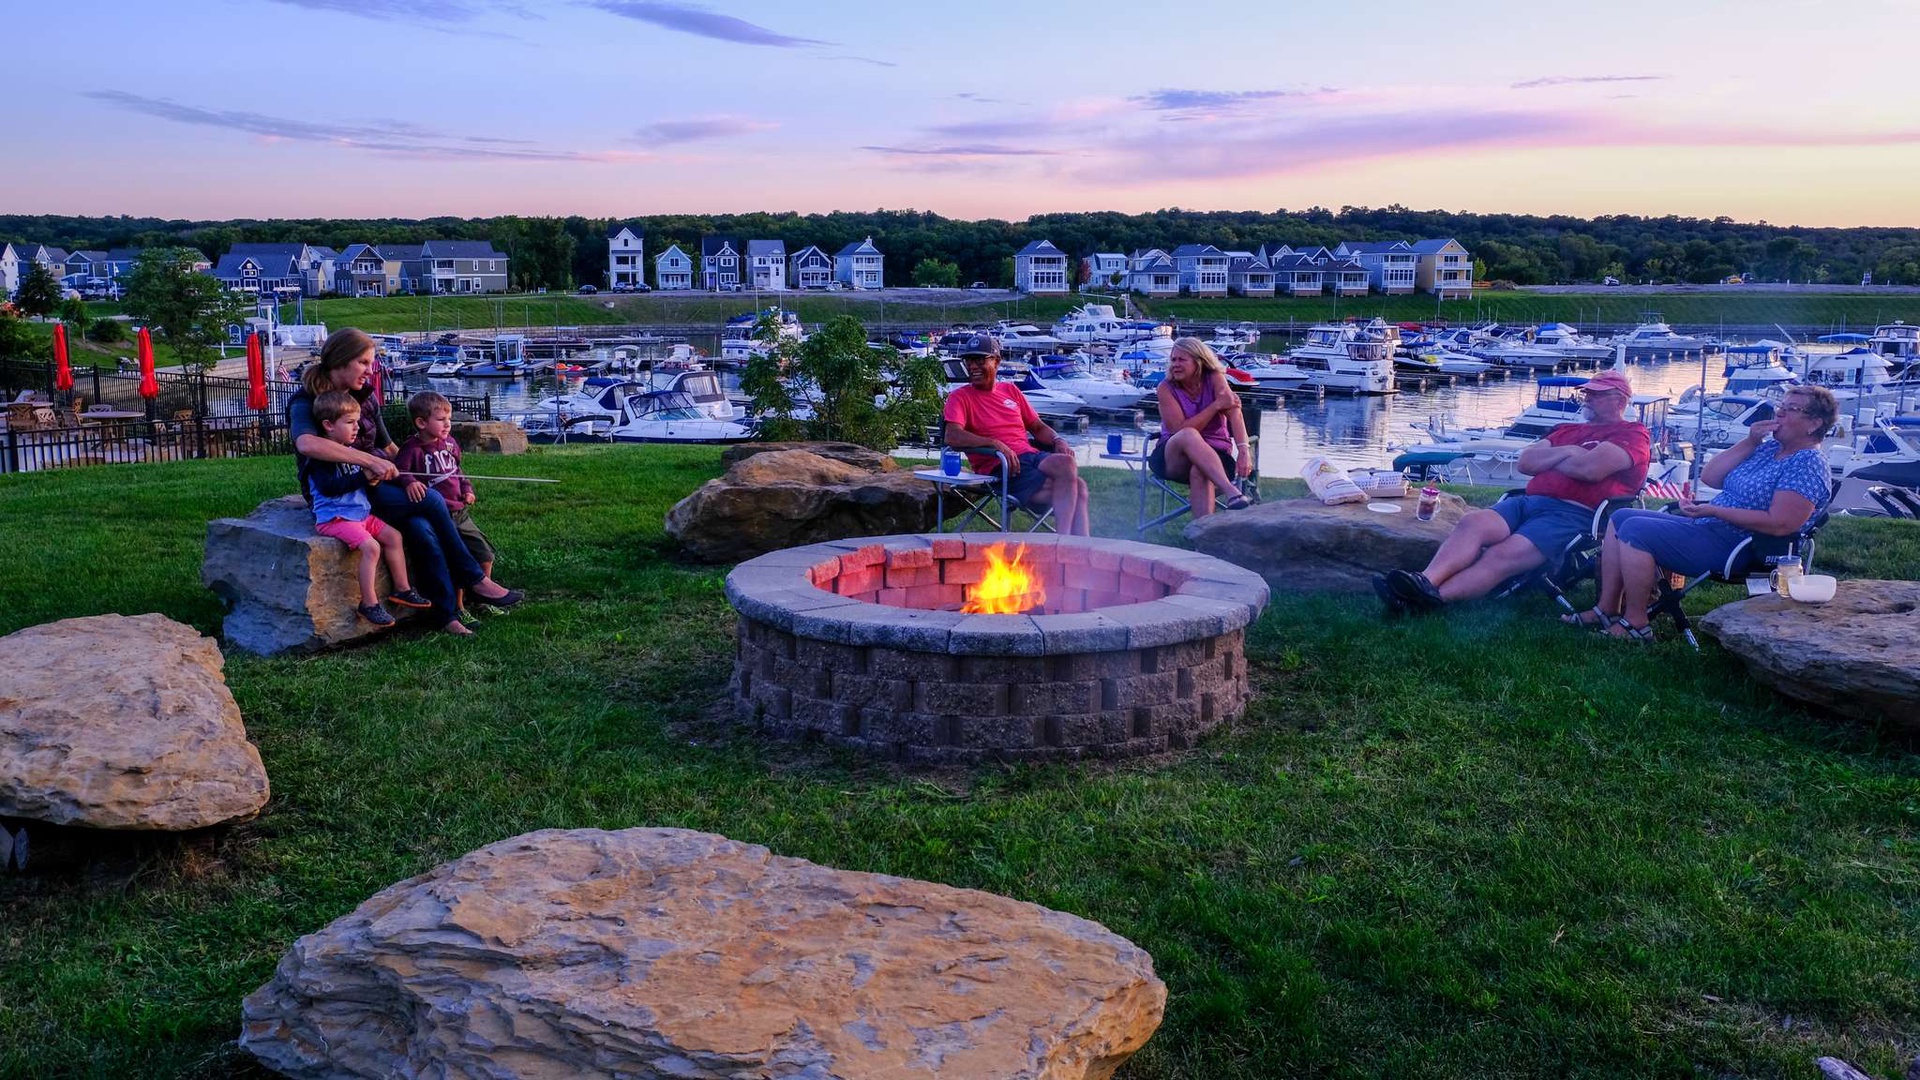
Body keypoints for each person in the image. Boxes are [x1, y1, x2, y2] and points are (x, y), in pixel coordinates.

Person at [288, 328, 522, 637]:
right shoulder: (306, 400)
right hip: (343, 491)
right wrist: (369, 462)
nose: (370, 370)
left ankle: (446, 614)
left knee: (421, 526)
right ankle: (473, 578)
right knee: (433, 503)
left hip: (375, 484)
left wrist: (410, 476)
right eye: (363, 363)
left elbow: (389, 448)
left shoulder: (364, 398)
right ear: (340, 362)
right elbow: (306, 444)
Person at [1376, 368, 1650, 614]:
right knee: (1474, 522)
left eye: (1596, 394)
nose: (1587, 397)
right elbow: (1526, 462)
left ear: (1619, 400)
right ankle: (1424, 581)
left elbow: (1590, 471)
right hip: (1528, 502)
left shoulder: (1631, 434)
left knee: (1501, 555)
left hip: (1572, 516)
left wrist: (1554, 459)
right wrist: (1568, 451)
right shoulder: (1567, 431)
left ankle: (1430, 599)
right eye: (1586, 392)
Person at [1577, 385, 1837, 641]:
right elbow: (1710, 477)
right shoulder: (1769, 448)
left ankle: (1637, 623)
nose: (1779, 413)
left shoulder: (1808, 463)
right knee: (1621, 517)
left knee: (1635, 530)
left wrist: (1716, 511)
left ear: (1814, 423)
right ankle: (1607, 608)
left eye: (1791, 409)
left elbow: (1780, 524)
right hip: (1711, 527)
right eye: (1781, 406)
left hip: (1742, 546)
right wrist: (1749, 441)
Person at [304, 391, 433, 628]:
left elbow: (359, 481)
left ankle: (402, 589)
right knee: (371, 547)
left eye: (357, 421)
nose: (357, 428)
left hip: (359, 515)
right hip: (336, 518)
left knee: (394, 536)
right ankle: (369, 603)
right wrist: (364, 475)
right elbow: (330, 487)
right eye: (350, 422)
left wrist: (373, 478)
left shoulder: (353, 453)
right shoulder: (320, 458)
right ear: (328, 425)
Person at [940, 333, 1091, 535]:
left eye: (979, 360)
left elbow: (1037, 427)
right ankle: (1064, 543)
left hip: (1028, 456)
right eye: (969, 360)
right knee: (1075, 482)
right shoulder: (959, 397)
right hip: (1002, 466)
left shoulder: (1010, 390)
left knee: (1075, 479)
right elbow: (952, 436)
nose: (972, 366)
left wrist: (1057, 439)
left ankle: (1080, 550)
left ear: (997, 362)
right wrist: (994, 444)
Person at [393, 390, 497, 625]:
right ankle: (459, 607)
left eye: (448, 419)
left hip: (461, 512)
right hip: (441, 515)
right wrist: (409, 482)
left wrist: (467, 488)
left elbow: (458, 470)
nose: (447, 424)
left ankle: (482, 596)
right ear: (421, 422)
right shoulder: (412, 450)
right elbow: (401, 472)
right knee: (456, 560)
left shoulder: (450, 444)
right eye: (441, 420)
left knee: (484, 553)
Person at [1153, 337, 1253, 516]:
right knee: (1188, 434)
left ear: (1198, 361)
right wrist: (1215, 406)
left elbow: (1234, 412)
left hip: (1215, 455)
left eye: (1181, 360)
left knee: (1200, 470)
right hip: (1174, 457)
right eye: (1173, 359)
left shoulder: (1215, 378)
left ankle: (1202, 535)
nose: (1175, 364)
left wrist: (1244, 452)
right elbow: (1179, 430)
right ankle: (1232, 492)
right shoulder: (1166, 388)